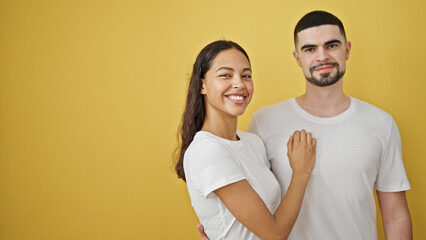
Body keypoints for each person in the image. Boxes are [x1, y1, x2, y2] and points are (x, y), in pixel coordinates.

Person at [198, 11, 412, 240]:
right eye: (310, 49)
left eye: (331, 45)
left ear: (347, 49)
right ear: (297, 57)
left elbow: (395, 215)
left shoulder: (380, 123)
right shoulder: (265, 121)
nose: (322, 56)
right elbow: (250, 201)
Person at [174, 40, 317, 240]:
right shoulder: (207, 151)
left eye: (246, 75)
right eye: (225, 75)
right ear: (202, 85)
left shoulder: (253, 142)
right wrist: (301, 172)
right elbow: (274, 234)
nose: (239, 84)